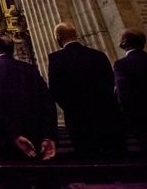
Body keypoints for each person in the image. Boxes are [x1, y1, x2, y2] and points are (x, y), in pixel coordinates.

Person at [48, 22, 124, 157]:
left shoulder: (56, 59)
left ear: (58, 37)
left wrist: (71, 108)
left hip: (77, 117)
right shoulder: (99, 55)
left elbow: (56, 90)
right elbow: (109, 83)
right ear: (76, 35)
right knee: (111, 155)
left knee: (86, 155)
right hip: (104, 114)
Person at [0, 35, 57, 160]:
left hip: (7, 137)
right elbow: (47, 100)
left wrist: (14, 134)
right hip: (35, 135)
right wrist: (48, 136)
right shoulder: (30, 68)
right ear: (13, 49)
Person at [114, 29, 147, 152]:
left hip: (138, 115)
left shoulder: (122, 64)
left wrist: (124, 118)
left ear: (124, 41)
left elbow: (123, 93)